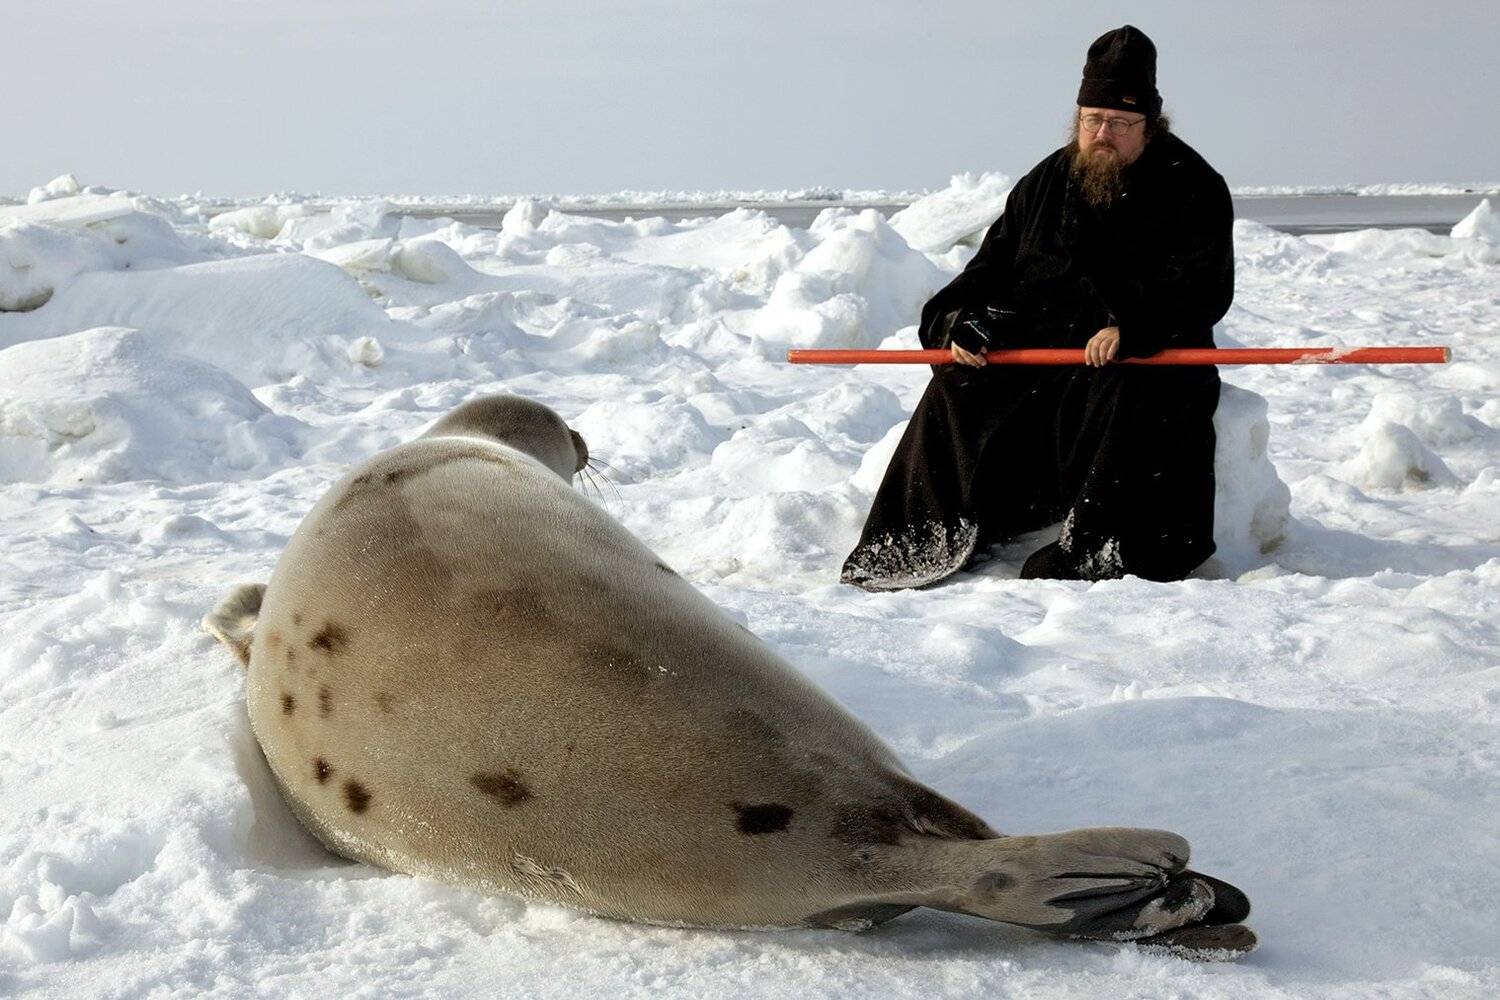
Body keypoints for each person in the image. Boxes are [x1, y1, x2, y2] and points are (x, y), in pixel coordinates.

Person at [841, 25, 1233, 590]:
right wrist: (959, 323)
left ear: (1151, 127)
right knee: (958, 384)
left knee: (1134, 388)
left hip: (1141, 364)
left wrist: (1132, 326)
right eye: (1093, 120)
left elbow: (1205, 290)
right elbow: (983, 274)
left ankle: (1102, 550)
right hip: (1043, 364)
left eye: (1121, 125)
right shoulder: (1045, 182)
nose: (1104, 134)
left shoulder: (1193, 186)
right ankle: (919, 542)